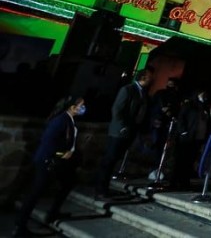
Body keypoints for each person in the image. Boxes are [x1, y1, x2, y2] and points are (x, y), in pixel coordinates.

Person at [14, 95, 86, 237]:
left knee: (69, 182)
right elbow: (48, 141)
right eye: (81, 105)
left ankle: (53, 212)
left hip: (56, 161)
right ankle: (19, 228)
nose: (83, 108)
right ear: (72, 107)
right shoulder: (61, 120)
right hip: (47, 161)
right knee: (35, 193)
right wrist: (61, 153)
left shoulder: (69, 120)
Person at [94, 66, 154, 199]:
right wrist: (122, 126)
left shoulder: (143, 93)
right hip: (119, 132)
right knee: (109, 159)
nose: (152, 79)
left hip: (130, 131)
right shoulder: (128, 90)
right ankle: (100, 189)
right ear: (143, 77)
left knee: (114, 159)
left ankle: (105, 187)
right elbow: (117, 109)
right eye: (150, 77)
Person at [171, 88, 211, 191]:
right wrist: (183, 132)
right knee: (181, 160)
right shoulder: (190, 104)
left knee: (190, 160)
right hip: (187, 137)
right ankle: (175, 181)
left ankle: (185, 181)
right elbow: (181, 118)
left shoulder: (205, 106)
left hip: (197, 138)